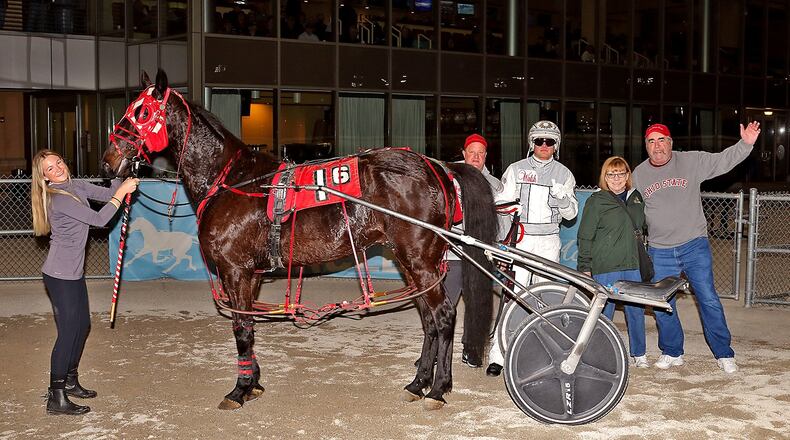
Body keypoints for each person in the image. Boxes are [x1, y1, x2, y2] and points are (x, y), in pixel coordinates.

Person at [632, 122, 761, 374]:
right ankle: (672, 351)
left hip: (694, 244)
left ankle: (724, 353)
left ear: (670, 143)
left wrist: (745, 144)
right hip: (660, 249)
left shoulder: (691, 161)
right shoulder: (638, 173)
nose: (657, 146)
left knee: (708, 299)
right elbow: (627, 204)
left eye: (661, 140)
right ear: (646, 146)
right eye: (651, 141)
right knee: (662, 303)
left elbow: (724, 160)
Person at [31, 150, 139, 415]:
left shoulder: (75, 185)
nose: (58, 167)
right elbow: (101, 220)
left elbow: (107, 195)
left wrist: (119, 174)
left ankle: (70, 380)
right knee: (68, 332)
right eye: (50, 168)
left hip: (73, 273)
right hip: (59, 275)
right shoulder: (58, 198)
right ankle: (56, 396)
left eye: (58, 162)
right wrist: (122, 190)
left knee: (82, 325)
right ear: (44, 178)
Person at [486, 120, 579, 377]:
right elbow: (500, 201)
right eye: (539, 141)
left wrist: (562, 200)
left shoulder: (564, 174)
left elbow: (571, 214)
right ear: (531, 143)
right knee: (515, 295)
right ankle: (499, 355)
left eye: (550, 142)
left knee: (544, 298)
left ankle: (538, 354)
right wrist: (510, 206)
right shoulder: (516, 169)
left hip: (549, 242)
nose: (544, 146)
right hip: (523, 240)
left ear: (556, 145)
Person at [576, 156, 648, 368]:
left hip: (632, 265)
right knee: (603, 312)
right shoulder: (596, 201)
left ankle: (639, 354)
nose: (616, 178)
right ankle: (601, 355)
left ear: (627, 176)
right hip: (605, 267)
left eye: (620, 173)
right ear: (604, 177)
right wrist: (585, 267)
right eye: (611, 174)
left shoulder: (636, 199)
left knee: (635, 311)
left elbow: (642, 227)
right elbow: (585, 235)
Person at [443, 134, 503, 368]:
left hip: (480, 254)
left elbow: (503, 222)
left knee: (477, 303)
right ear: (464, 153)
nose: (476, 157)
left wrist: (496, 248)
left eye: (481, 153)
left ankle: (472, 348)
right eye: (472, 152)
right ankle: (438, 350)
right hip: (453, 252)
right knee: (445, 303)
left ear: (485, 156)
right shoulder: (450, 179)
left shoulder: (495, 185)